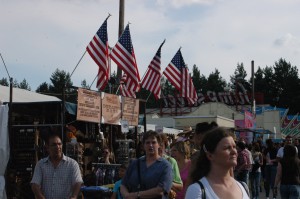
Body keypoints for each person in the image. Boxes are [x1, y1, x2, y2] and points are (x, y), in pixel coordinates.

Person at [185, 127, 250, 199]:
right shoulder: (197, 190)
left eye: (234, 147)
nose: (234, 151)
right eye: (227, 148)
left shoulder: (243, 186)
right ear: (210, 155)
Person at [120, 130, 173, 199]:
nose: (150, 145)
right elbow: (123, 184)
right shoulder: (134, 163)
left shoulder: (165, 166)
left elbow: (161, 190)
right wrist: (126, 195)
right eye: (147, 143)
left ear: (159, 145)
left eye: (153, 142)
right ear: (143, 145)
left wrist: (136, 195)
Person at [31, 134, 83, 199]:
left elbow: (78, 182)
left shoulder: (72, 164)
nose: (57, 147)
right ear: (47, 147)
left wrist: (74, 196)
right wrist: (40, 196)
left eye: (59, 144)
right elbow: (35, 184)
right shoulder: (41, 164)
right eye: (54, 144)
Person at [159, 133, 183, 198]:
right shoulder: (144, 161)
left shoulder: (171, 161)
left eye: (161, 145)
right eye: (157, 144)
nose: (159, 148)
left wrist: (168, 183)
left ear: (165, 146)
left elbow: (180, 186)